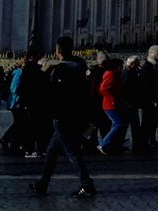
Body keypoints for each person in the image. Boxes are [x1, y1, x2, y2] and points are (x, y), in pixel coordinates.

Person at [29, 36, 96, 198]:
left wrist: (43, 73)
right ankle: (43, 184)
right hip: (77, 113)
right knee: (51, 151)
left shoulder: (62, 69)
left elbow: (53, 92)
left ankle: (87, 184)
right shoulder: (80, 65)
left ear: (58, 50)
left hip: (64, 116)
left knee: (72, 152)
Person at [97, 57, 128, 155]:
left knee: (117, 125)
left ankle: (112, 145)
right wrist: (113, 100)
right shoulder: (110, 74)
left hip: (113, 104)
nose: (122, 68)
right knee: (119, 124)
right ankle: (104, 144)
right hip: (111, 105)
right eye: (121, 66)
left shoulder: (113, 74)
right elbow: (103, 89)